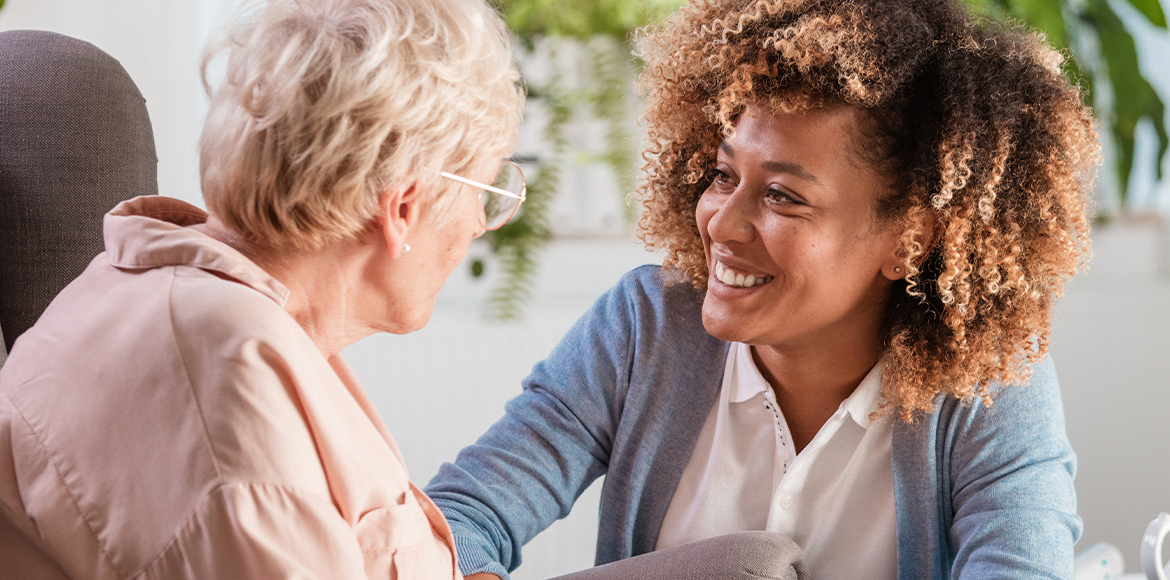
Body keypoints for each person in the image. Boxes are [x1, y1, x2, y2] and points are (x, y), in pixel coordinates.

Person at [425, 0, 1101, 578]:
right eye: (723, 175)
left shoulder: (988, 385)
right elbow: (457, 519)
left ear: (910, 239)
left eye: (782, 195)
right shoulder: (644, 330)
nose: (721, 221)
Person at [0, 0, 524, 577]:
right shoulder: (229, 394)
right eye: (485, 188)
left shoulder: (191, 301)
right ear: (403, 207)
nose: (480, 222)